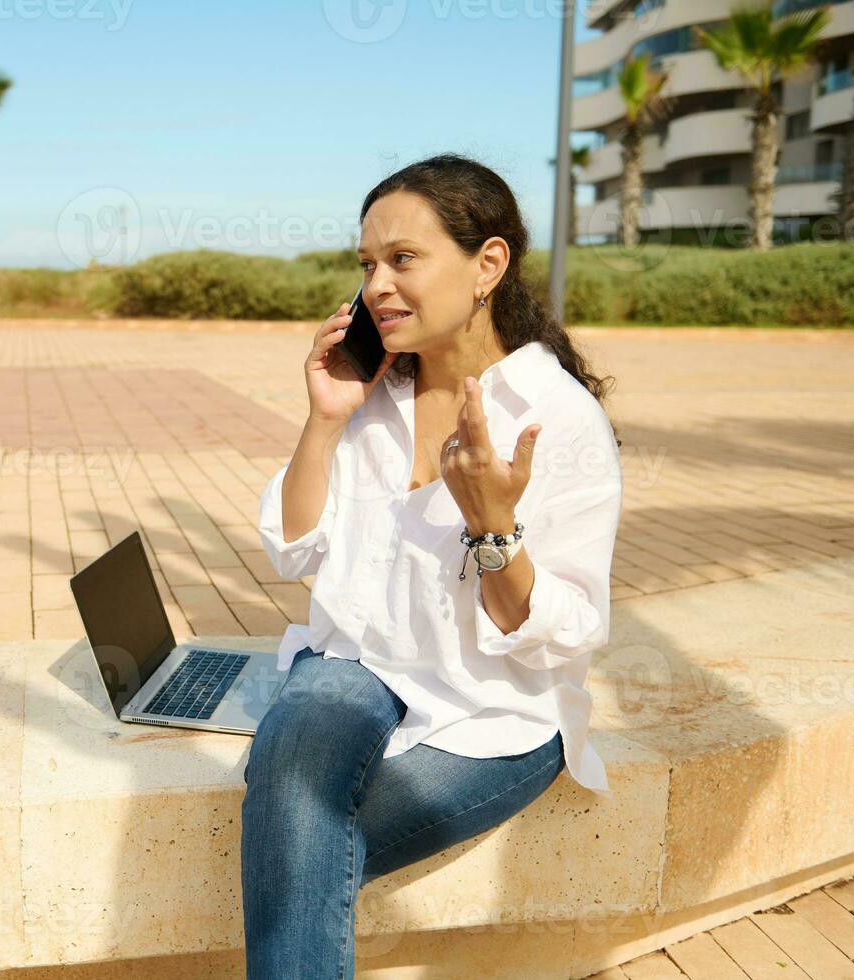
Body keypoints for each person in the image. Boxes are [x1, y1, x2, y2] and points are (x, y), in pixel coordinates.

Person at [241, 153, 624, 979]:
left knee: (295, 845)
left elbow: (569, 629)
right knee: (293, 779)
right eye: (367, 265)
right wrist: (324, 418)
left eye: (403, 260)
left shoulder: (555, 419)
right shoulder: (371, 395)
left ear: (488, 264)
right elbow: (291, 548)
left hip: (496, 715)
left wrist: (494, 528)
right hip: (353, 667)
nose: (378, 284)